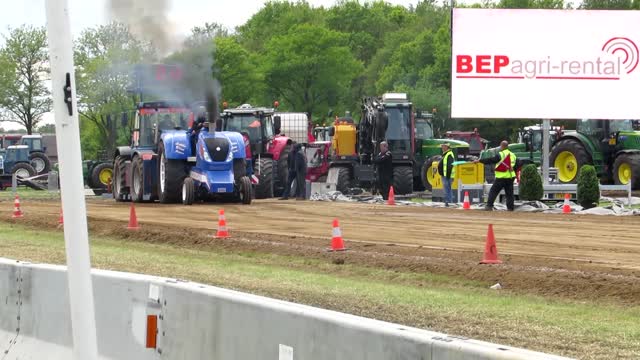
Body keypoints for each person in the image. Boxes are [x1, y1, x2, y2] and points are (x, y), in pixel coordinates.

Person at [474, 140, 517, 211]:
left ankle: (489, 206)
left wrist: (480, 161)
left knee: (493, 191)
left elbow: (491, 160)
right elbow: (517, 164)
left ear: (502, 146)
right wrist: (513, 168)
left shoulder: (501, 154)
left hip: (501, 177)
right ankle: (510, 208)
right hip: (510, 177)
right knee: (509, 193)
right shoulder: (513, 155)